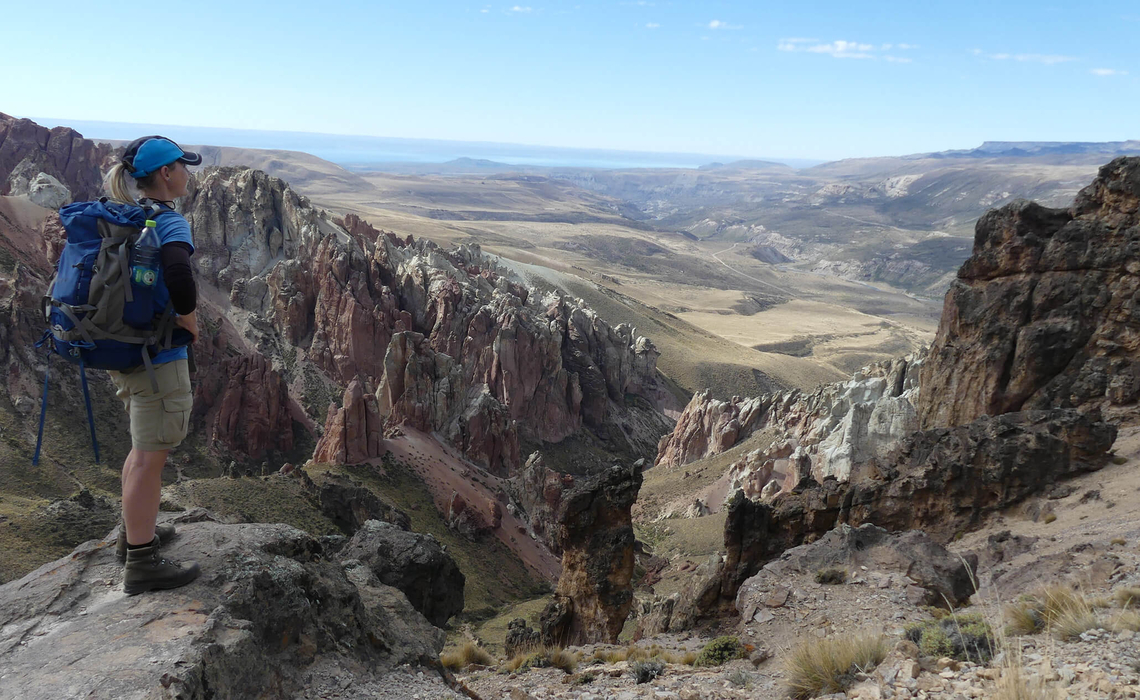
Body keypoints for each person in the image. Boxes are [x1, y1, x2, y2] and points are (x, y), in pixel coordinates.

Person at [105, 136, 203, 595]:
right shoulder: (169, 222)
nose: (187, 173)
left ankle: (132, 536)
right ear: (166, 174)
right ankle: (142, 564)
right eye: (182, 166)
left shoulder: (128, 215)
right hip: (159, 357)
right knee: (150, 459)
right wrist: (190, 319)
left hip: (126, 352)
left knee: (139, 451)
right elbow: (181, 282)